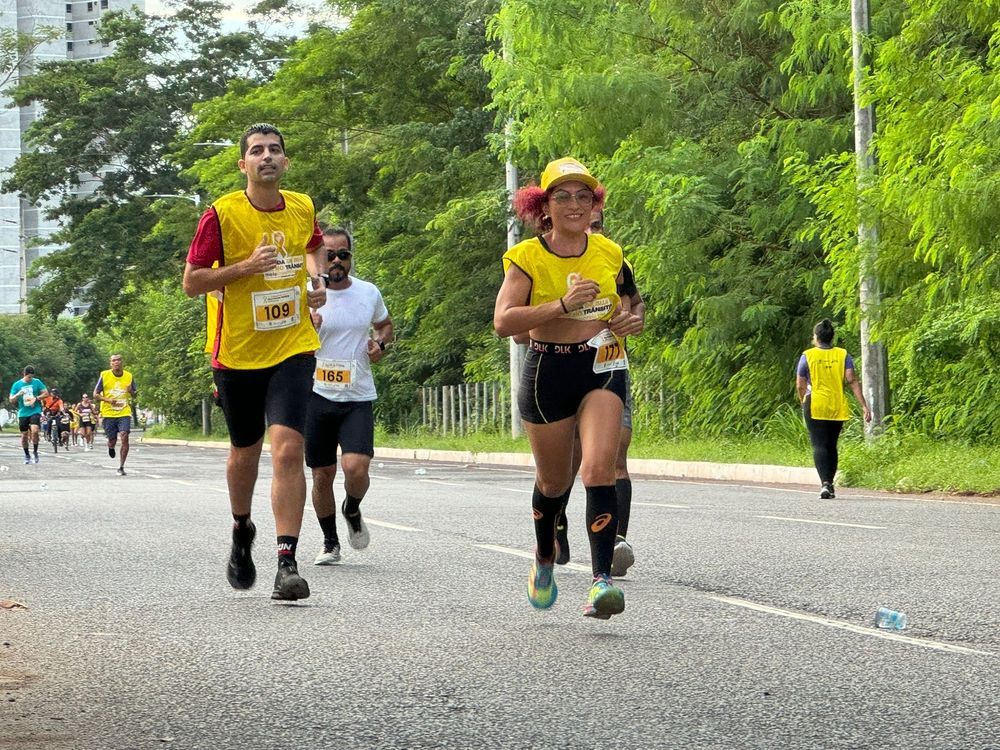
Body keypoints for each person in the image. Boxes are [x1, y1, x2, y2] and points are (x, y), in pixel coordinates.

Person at [182, 122, 327, 602]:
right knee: (245, 449)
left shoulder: (302, 206)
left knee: (287, 450)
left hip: (293, 346)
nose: (267, 156)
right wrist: (246, 268)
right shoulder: (222, 215)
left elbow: (313, 245)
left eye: (275, 150)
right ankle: (242, 528)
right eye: (257, 151)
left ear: (286, 162)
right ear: (243, 164)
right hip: (237, 352)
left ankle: (287, 562)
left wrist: (317, 278)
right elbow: (192, 281)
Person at [494, 157, 643, 620]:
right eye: (563, 196)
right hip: (547, 370)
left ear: (593, 204)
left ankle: (601, 582)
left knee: (599, 468)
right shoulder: (527, 257)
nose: (575, 204)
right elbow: (503, 322)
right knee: (554, 482)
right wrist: (561, 304)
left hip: (601, 364)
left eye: (584, 196)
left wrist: (629, 320)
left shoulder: (610, 252)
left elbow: (630, 308)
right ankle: (543, 557)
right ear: (544, 206)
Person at [553, 209, 645, 577]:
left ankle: (616, 540)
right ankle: (556, 521)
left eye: (597, 225)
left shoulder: (615, 258)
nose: (591, 231)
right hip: (559, 371)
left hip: (609, 368)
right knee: (565, 466)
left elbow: (636, 303)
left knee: (612, 459)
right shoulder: (548, 260)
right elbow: (520, 328)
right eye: (586, 225)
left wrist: (634, 319)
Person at [306, 227, 394, 565]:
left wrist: (380, 344)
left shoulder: (368, 293)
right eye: (330, 255)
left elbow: (386, 326)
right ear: (319, 259)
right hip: (316, 395)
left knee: (356, 468)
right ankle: (330, 542)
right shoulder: (307, 294)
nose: (337, 261)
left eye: (344, 254)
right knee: (322, 474)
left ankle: (352, 508)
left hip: (356, 395)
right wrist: (305, 325)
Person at [796, 319, 872, 498]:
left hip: (815, 403)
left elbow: (800, 383)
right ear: (832, 337)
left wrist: (802, 401)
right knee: (831, 445)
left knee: (819, 444)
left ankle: (824, 484)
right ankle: (830, 483)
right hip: (837, 404)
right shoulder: (843, 354)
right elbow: (852, 380)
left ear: (816, 337)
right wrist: (864, 406)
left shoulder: (808, 355)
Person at [94, 354, 137, 475]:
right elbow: (95, 395)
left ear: (122, 362)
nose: (116, 362)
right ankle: (111, 447)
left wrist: (131, 391)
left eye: (118, 360)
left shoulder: (129, 376)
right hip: (109, 412)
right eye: (114, 360)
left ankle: (121, 466)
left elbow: (135, 395)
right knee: (112, 440)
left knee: (124, 435)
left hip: (124, 411)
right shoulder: (104, 375)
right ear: (110, 363)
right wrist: (108, 400)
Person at [8, 365, 48, 464]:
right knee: (24, 435)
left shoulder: (37, 382)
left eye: (32, 377)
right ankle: (27, 455)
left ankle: (35, 452)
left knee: (35, 431)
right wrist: (18, 394)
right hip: (23, 412)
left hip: (35, 410)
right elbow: (11, 400)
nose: (30, 379)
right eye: (29, 377)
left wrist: (37, 398)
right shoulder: (17, 385)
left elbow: (46, 393)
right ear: (24, 374)